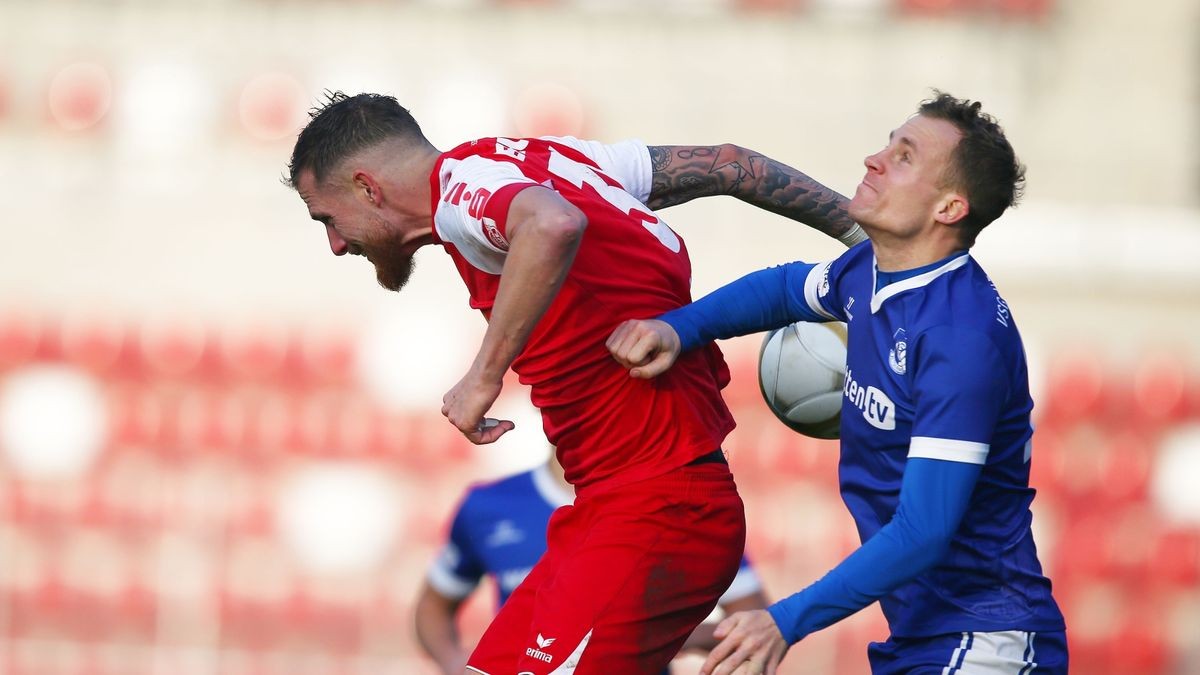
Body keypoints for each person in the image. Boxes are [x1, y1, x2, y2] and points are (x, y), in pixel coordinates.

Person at [286, 91, 864, 674]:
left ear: (367, 187)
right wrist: (863, 239)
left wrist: (483, 377)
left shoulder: (463, 194)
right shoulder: (545, 160)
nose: (336, 243)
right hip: (605, 511)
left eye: (327, 219)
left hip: (658, 510)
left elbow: (552, 223)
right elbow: (731, 164)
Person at [607, 92, 1068, 675]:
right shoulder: (872, 270)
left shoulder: (960, 341)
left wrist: (785, 620)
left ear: (950, 207)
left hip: (985, 639)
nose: (874, 160)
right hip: (925, 634)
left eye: (904, 157)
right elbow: (782, 290)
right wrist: (678, 329)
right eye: (887, 144)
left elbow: (925, 532)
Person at [413, 454, 771, 675]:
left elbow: (752, 616)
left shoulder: (678, 510)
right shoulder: (489, 505)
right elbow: (434, 604)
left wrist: (651, 633)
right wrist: (453, 661)